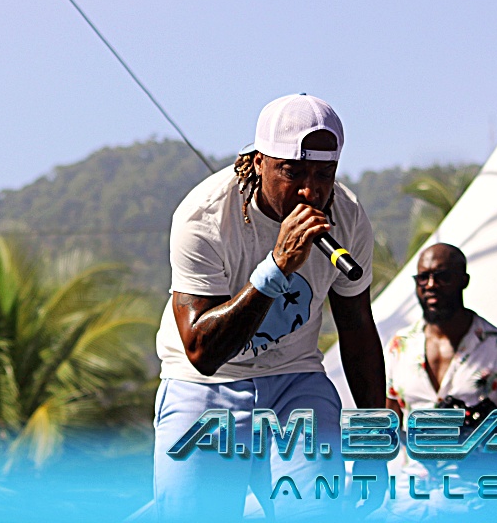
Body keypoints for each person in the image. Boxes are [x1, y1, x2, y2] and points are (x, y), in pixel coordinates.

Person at [153, 93, 385, 521]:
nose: (310, 190)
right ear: (259, 162)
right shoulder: (203, 218)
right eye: (292, 171)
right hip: (205, 387)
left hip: (295, 380)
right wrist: (276, 267)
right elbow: (202, 353)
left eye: (324, 173)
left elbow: (358, 330)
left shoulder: (348, 217)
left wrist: (374, 442)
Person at [384, 242, 497, 519]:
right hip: (410, 498)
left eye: (443, 276)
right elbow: (387, 420)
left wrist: (482, 447)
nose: (431, 285)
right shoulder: (400, 346)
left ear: (464, 280)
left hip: (478, 497)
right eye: (423, 277)